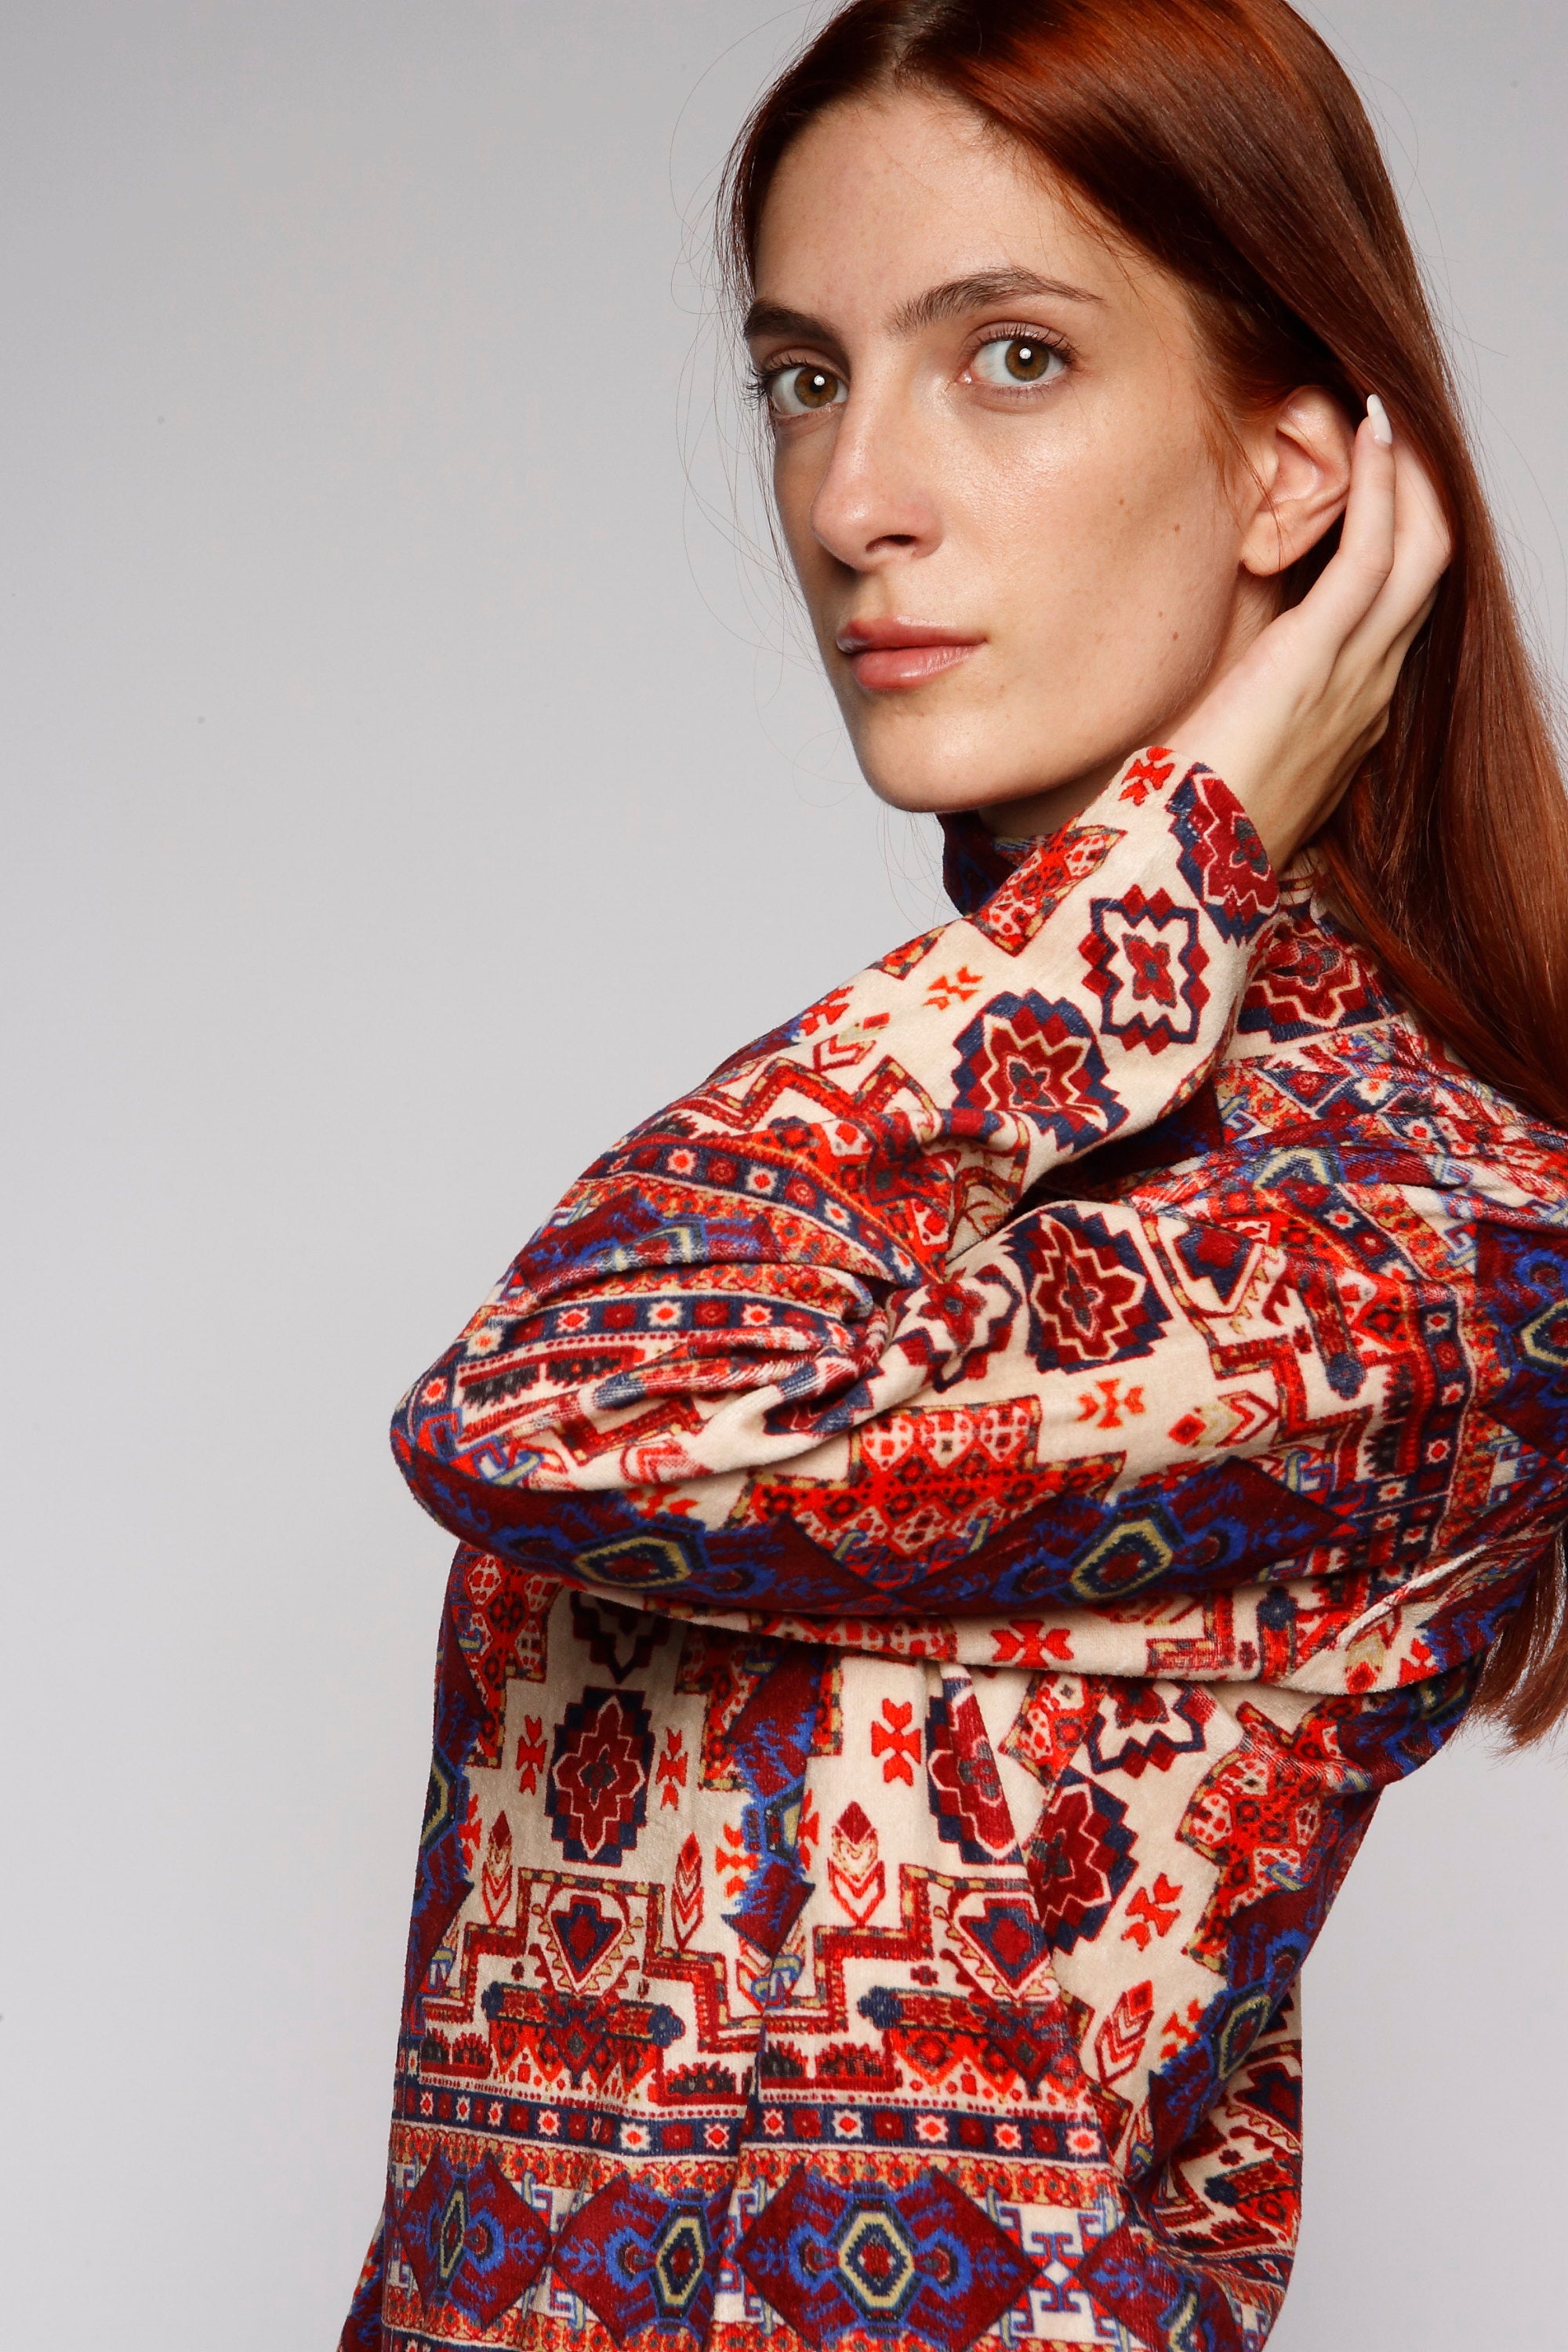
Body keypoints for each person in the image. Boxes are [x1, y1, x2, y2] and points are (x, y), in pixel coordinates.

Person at [339, 4, 1568, 2347]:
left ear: (1292, 469)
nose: (851, 500)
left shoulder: (1425, 1242)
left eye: (1011, 358)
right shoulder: (938, 1125)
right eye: (805, 378)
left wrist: (1177, 857)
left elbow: (548, 1419)